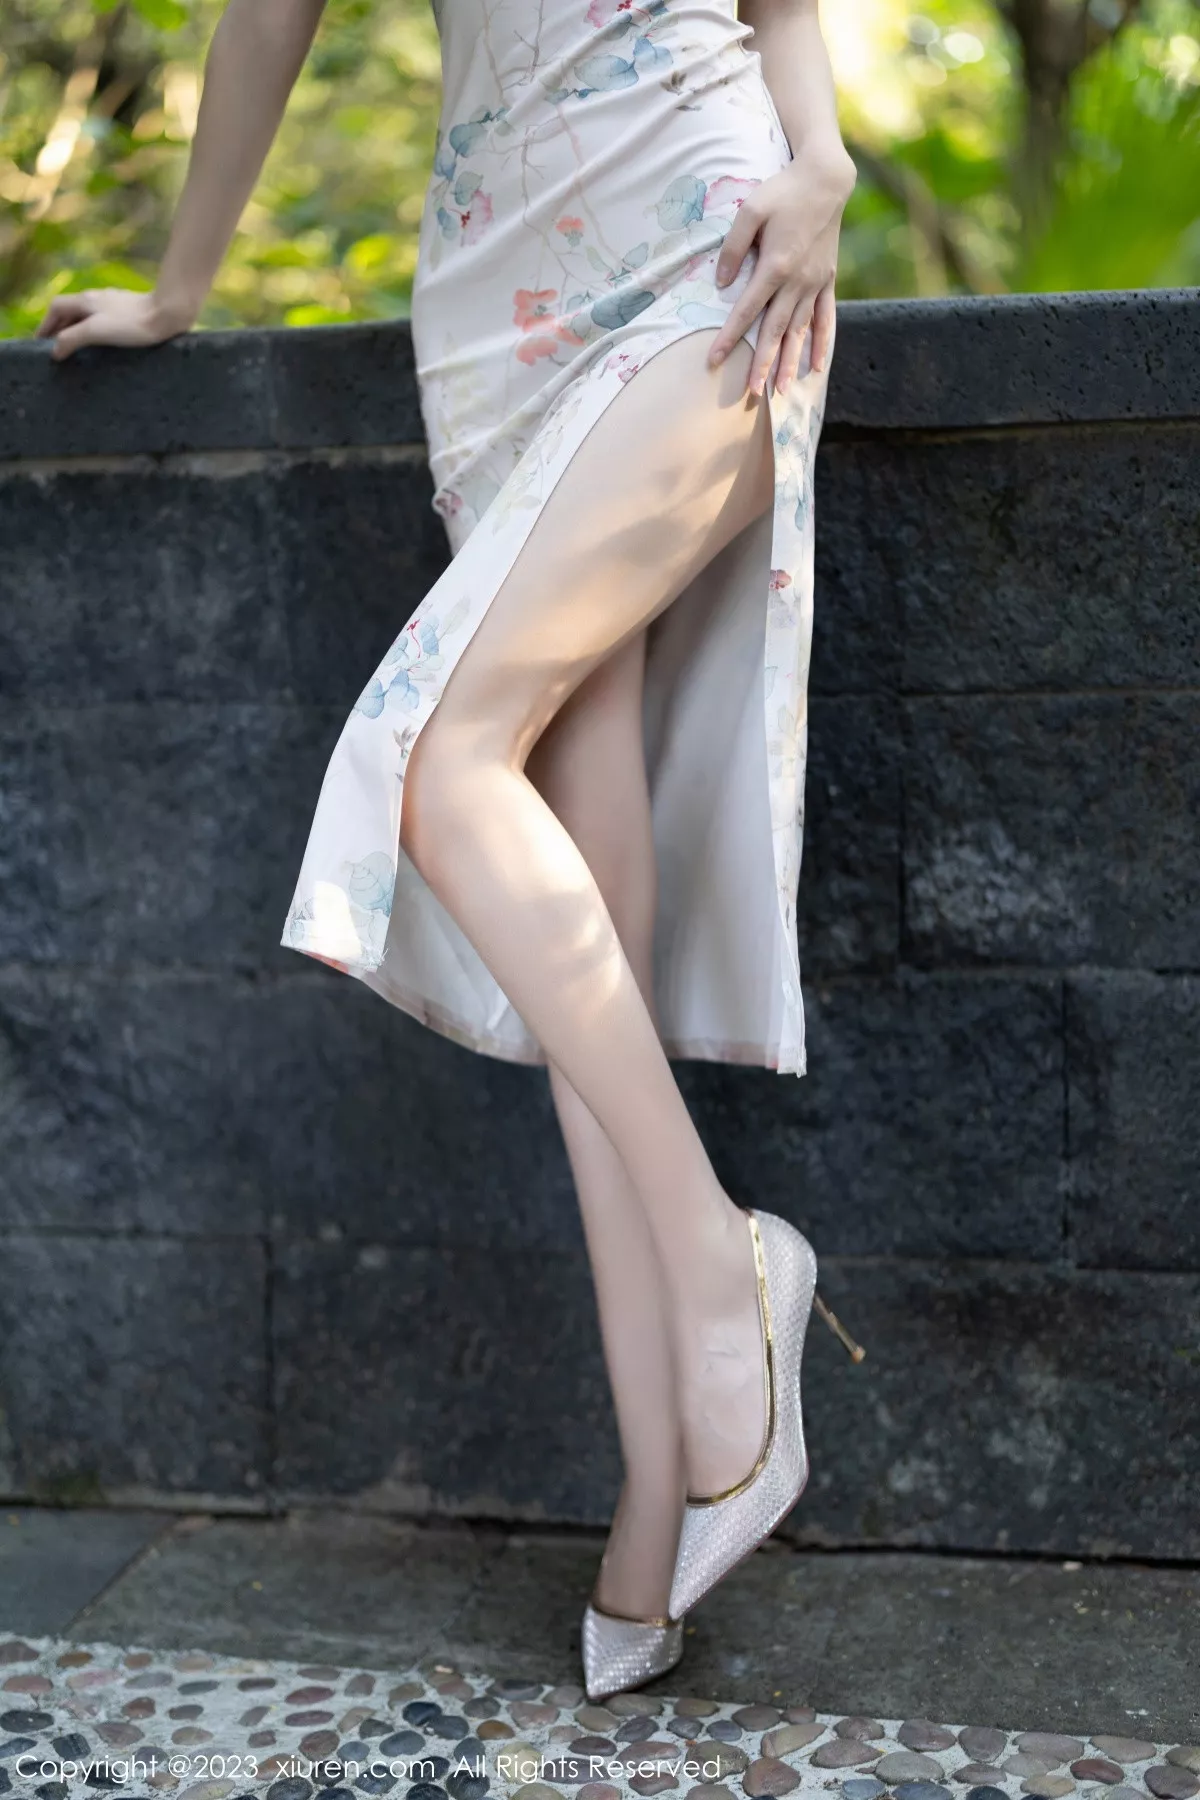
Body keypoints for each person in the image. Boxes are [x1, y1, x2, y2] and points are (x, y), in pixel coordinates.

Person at [37, 0, 862, 1701]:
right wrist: (182, 291)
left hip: (704, 238)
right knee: (586, 918)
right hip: (499, 299)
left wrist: (829, 164)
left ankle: (726, 1272)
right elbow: (268, 13)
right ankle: (662, 1485)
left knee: (441, 760)